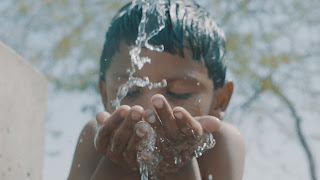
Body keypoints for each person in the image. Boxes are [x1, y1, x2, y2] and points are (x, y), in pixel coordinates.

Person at [68, 0, 245, 179]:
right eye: (131, 91)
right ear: (105, 94)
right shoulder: (96, 137)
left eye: (179, 92)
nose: (149, 111)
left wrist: (180, 165)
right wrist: (115, 163)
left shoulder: (221, 142)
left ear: (220, 99)